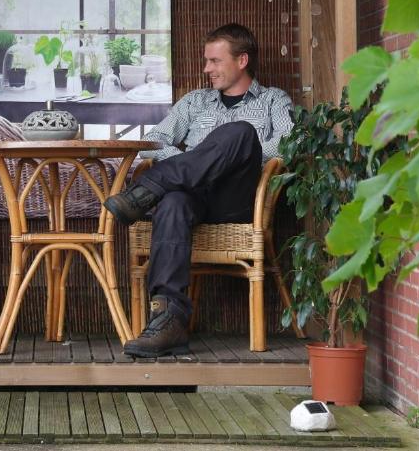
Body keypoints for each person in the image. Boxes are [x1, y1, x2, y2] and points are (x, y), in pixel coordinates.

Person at [104, 23, 293, 357]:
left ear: (242, 60)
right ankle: (168, 321)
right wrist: (195, 166)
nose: (207, 69)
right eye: (206, 61)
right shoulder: (195, 102)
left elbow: (290, 145)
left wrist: (230, 156)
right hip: (193, 198)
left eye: (215, 61)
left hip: (236, 199)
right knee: (173, 202)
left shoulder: (272, 101)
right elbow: (153, 142)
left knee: (241, 133)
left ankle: (146, 190)